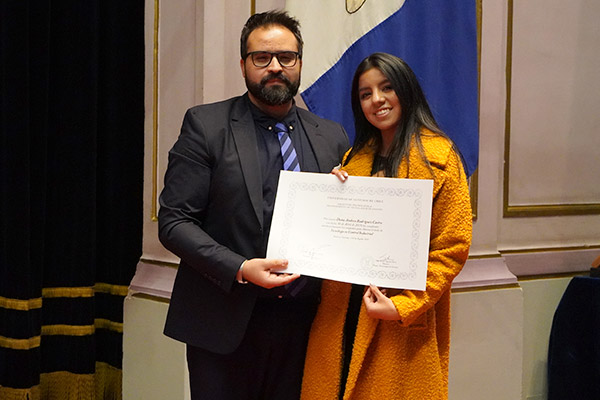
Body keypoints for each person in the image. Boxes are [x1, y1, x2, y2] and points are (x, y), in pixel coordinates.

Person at [158, 10, 349, 400]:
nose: (275, 67)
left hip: (305, 324)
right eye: (262, 57)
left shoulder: (332, 136)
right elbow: (174, 222)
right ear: (243, 64)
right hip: (224, 321)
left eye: (286, 57)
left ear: (299, 63)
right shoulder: (206, 125)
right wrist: (240, 268)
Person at [301, 53, 473, 400]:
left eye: (387, 88)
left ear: (406, 91)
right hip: (342, 311)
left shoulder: (440, 158)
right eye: (365, 94)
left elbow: (452, 247)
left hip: (397, 317)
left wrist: (404, 305)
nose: (376, 99)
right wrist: (333, 195)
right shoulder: (353, 159)